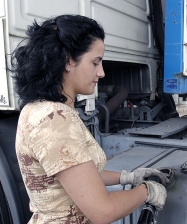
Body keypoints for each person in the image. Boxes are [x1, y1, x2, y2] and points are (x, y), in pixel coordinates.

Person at [11, 14, 168, 223]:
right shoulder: (54, 119)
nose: (102, 72)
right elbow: (103, 211)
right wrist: (147, 191)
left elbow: (78, 177)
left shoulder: (38, 108)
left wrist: (127, 177)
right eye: (95, 62)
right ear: (68, 60)